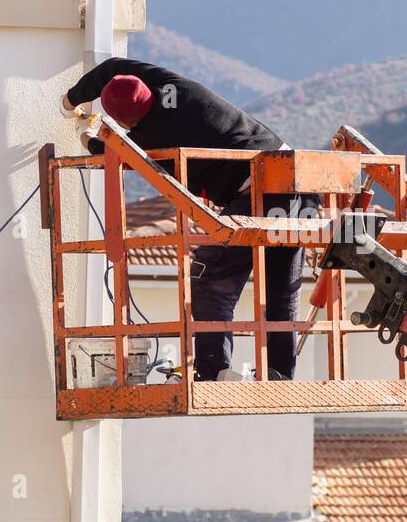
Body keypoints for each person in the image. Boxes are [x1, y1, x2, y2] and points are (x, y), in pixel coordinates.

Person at [62, 57, 315, 382]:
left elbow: (112, 156)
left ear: (127, 124)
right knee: (280, 290)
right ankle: (279, 374)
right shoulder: (170, 84)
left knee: (210, 280)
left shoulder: (154, 137)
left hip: (261, 194)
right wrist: (72, 97)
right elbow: (111, 67)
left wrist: (87, 133)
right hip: (300, 183)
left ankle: (212, 372)